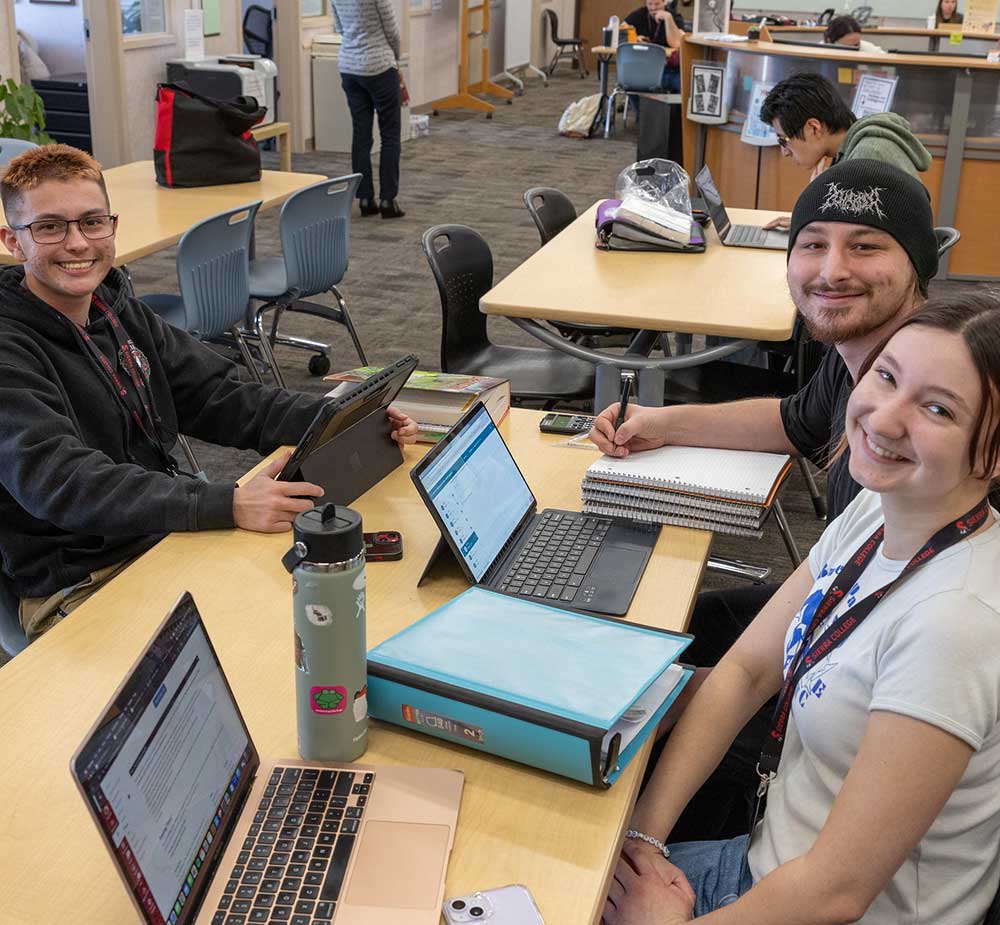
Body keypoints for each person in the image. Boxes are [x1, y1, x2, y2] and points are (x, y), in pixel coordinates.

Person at [603, 293, 1000, 923]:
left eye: (936, 409)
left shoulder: (954, 625)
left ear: (993, 454)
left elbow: (835, 894)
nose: (883, 418)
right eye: (887, 376)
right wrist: (642, 842)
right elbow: (745, 672)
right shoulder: (881, 508)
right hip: (770, 862)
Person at [590, 159, 940, 842]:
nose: (832, 270)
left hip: (872, 684)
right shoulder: (861, 364)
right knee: (671, 620)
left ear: (915, 264)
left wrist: (699, 693)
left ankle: (686, 843)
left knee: (648, 697)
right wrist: (663, 424)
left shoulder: (911, 397)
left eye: (865, 246)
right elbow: (791, 422)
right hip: (837, 598)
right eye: (813, 244)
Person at [0, 145, 417, 641]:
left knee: (340, 611)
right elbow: (65, 482)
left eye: (91, 222)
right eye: (49, 227)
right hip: (83, 581)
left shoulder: (115, 309)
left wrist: (344, 417)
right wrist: (229, 503)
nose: (76, 243)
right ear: (13, 241)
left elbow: (220, 396)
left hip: (163, 537)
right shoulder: (10, 347)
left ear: (111, 226)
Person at [759, 73, 931, 230]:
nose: (784, 152)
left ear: (813, 128)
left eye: (783, 140)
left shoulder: (867, 156)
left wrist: (816, 197)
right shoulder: (850, 150)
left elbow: (853, 235)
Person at [329, 0, 405, 219]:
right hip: (379, 65)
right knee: (390, 134)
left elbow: (340, 28)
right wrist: (396, 59)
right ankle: (388, 200)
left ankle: (365, 198)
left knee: (361, 134)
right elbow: (392, 31)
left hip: (349, 66)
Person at [623, 0, 685, 92]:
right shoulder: (640, 14)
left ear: (664, 2)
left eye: (657, 4)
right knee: (629, 80)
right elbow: (622, 30)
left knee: (682, 83)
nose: (653, 8)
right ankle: (638, 107)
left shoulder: (674, 17)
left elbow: (676, 43)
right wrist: (635, 37)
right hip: (643, 67)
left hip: (667, 68)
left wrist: (668, 18)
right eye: (650, 4)